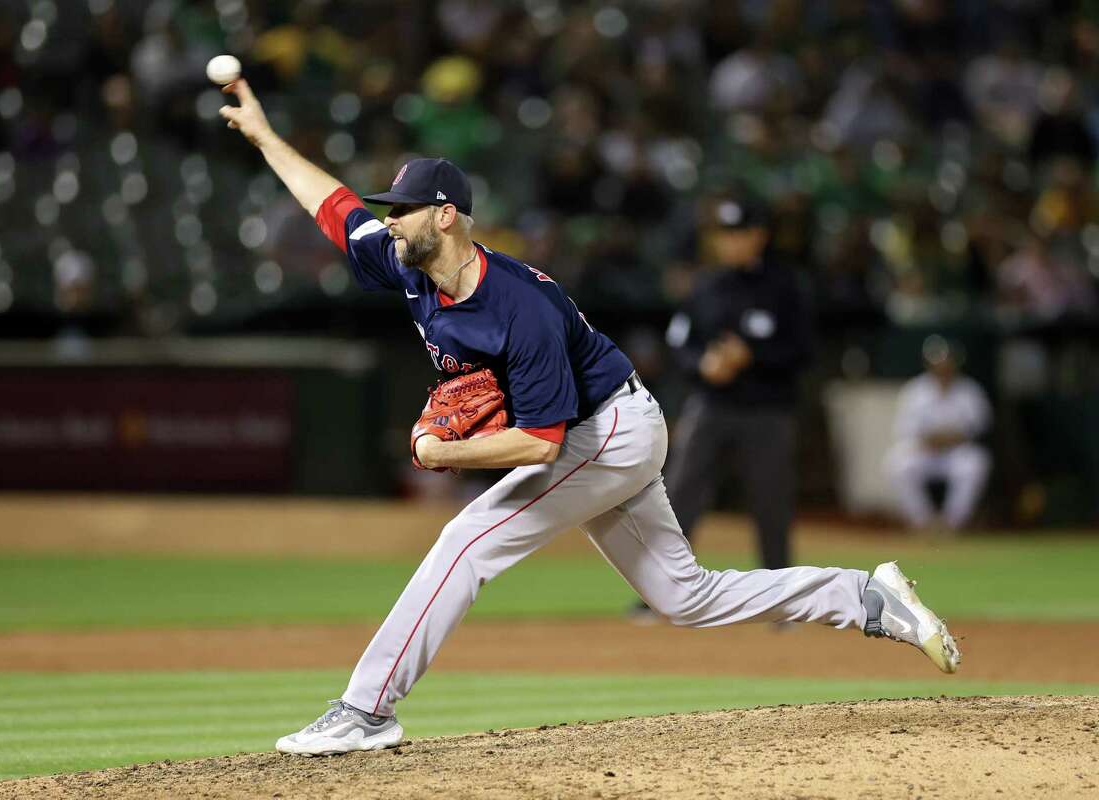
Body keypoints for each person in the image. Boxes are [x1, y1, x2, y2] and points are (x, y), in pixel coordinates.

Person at [217, 78, 961, 758]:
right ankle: (862, 597)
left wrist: (443, 457)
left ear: (444, 217)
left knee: (467, 540)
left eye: (402, 210)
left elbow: (539, 445)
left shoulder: (520, 309)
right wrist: (264, 137)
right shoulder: (405, 262)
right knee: (685, 595)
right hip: (609, 427)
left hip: (606, 430)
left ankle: (366, 709)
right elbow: (333, 208)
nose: (390, 220)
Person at [658, 194, 813, 574]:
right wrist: (704, 363)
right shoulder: (705, 285)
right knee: (680, 495)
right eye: (725, 233)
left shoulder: (785, 286)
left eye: (739, 232)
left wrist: (753, 357)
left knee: (770, 503)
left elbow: (804, 349)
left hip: (767, 409)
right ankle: (660, 590)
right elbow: (679, 342)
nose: (730, 241)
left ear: (759, 235)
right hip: (712, 405)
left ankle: (782, 595)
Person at [886, 336, 992, 531]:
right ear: (929, 364)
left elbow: (978, 428)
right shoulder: (915, 391)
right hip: (925, 452)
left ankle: (951, 524)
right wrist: (933, 440)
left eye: (947, 361)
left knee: (975, 463)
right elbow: (906, 430)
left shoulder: (969, 390)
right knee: (897, 463)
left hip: (955, 453)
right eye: (938, 362)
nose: (943, 366)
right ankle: (923, 523)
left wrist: (951, 438)